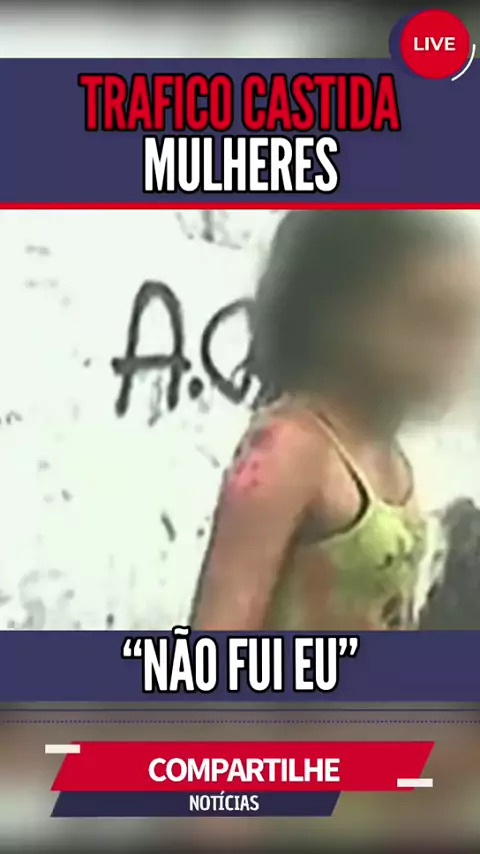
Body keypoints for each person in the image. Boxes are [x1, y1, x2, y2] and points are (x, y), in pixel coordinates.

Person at [190, 210, 479, 631]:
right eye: (425, 322)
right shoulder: (291, 448)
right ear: (341, 318)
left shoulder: (386, 451)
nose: (451, 356)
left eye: (460, 330)